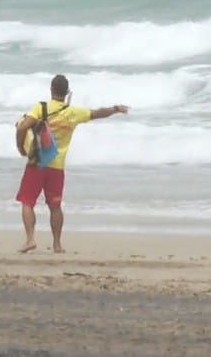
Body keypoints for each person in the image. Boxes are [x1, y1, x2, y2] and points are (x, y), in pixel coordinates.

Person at [14, 74, 128, 254]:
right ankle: (57, 245)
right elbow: (97, 113)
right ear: (67, 92)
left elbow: (21, 127)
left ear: (51, 90)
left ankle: (30, 240)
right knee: (55, 206)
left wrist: (20, 147)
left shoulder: (40, 108)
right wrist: (116, 108)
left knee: (28, 202)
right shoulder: (73, 113)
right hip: (57, 168)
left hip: (36, 164)